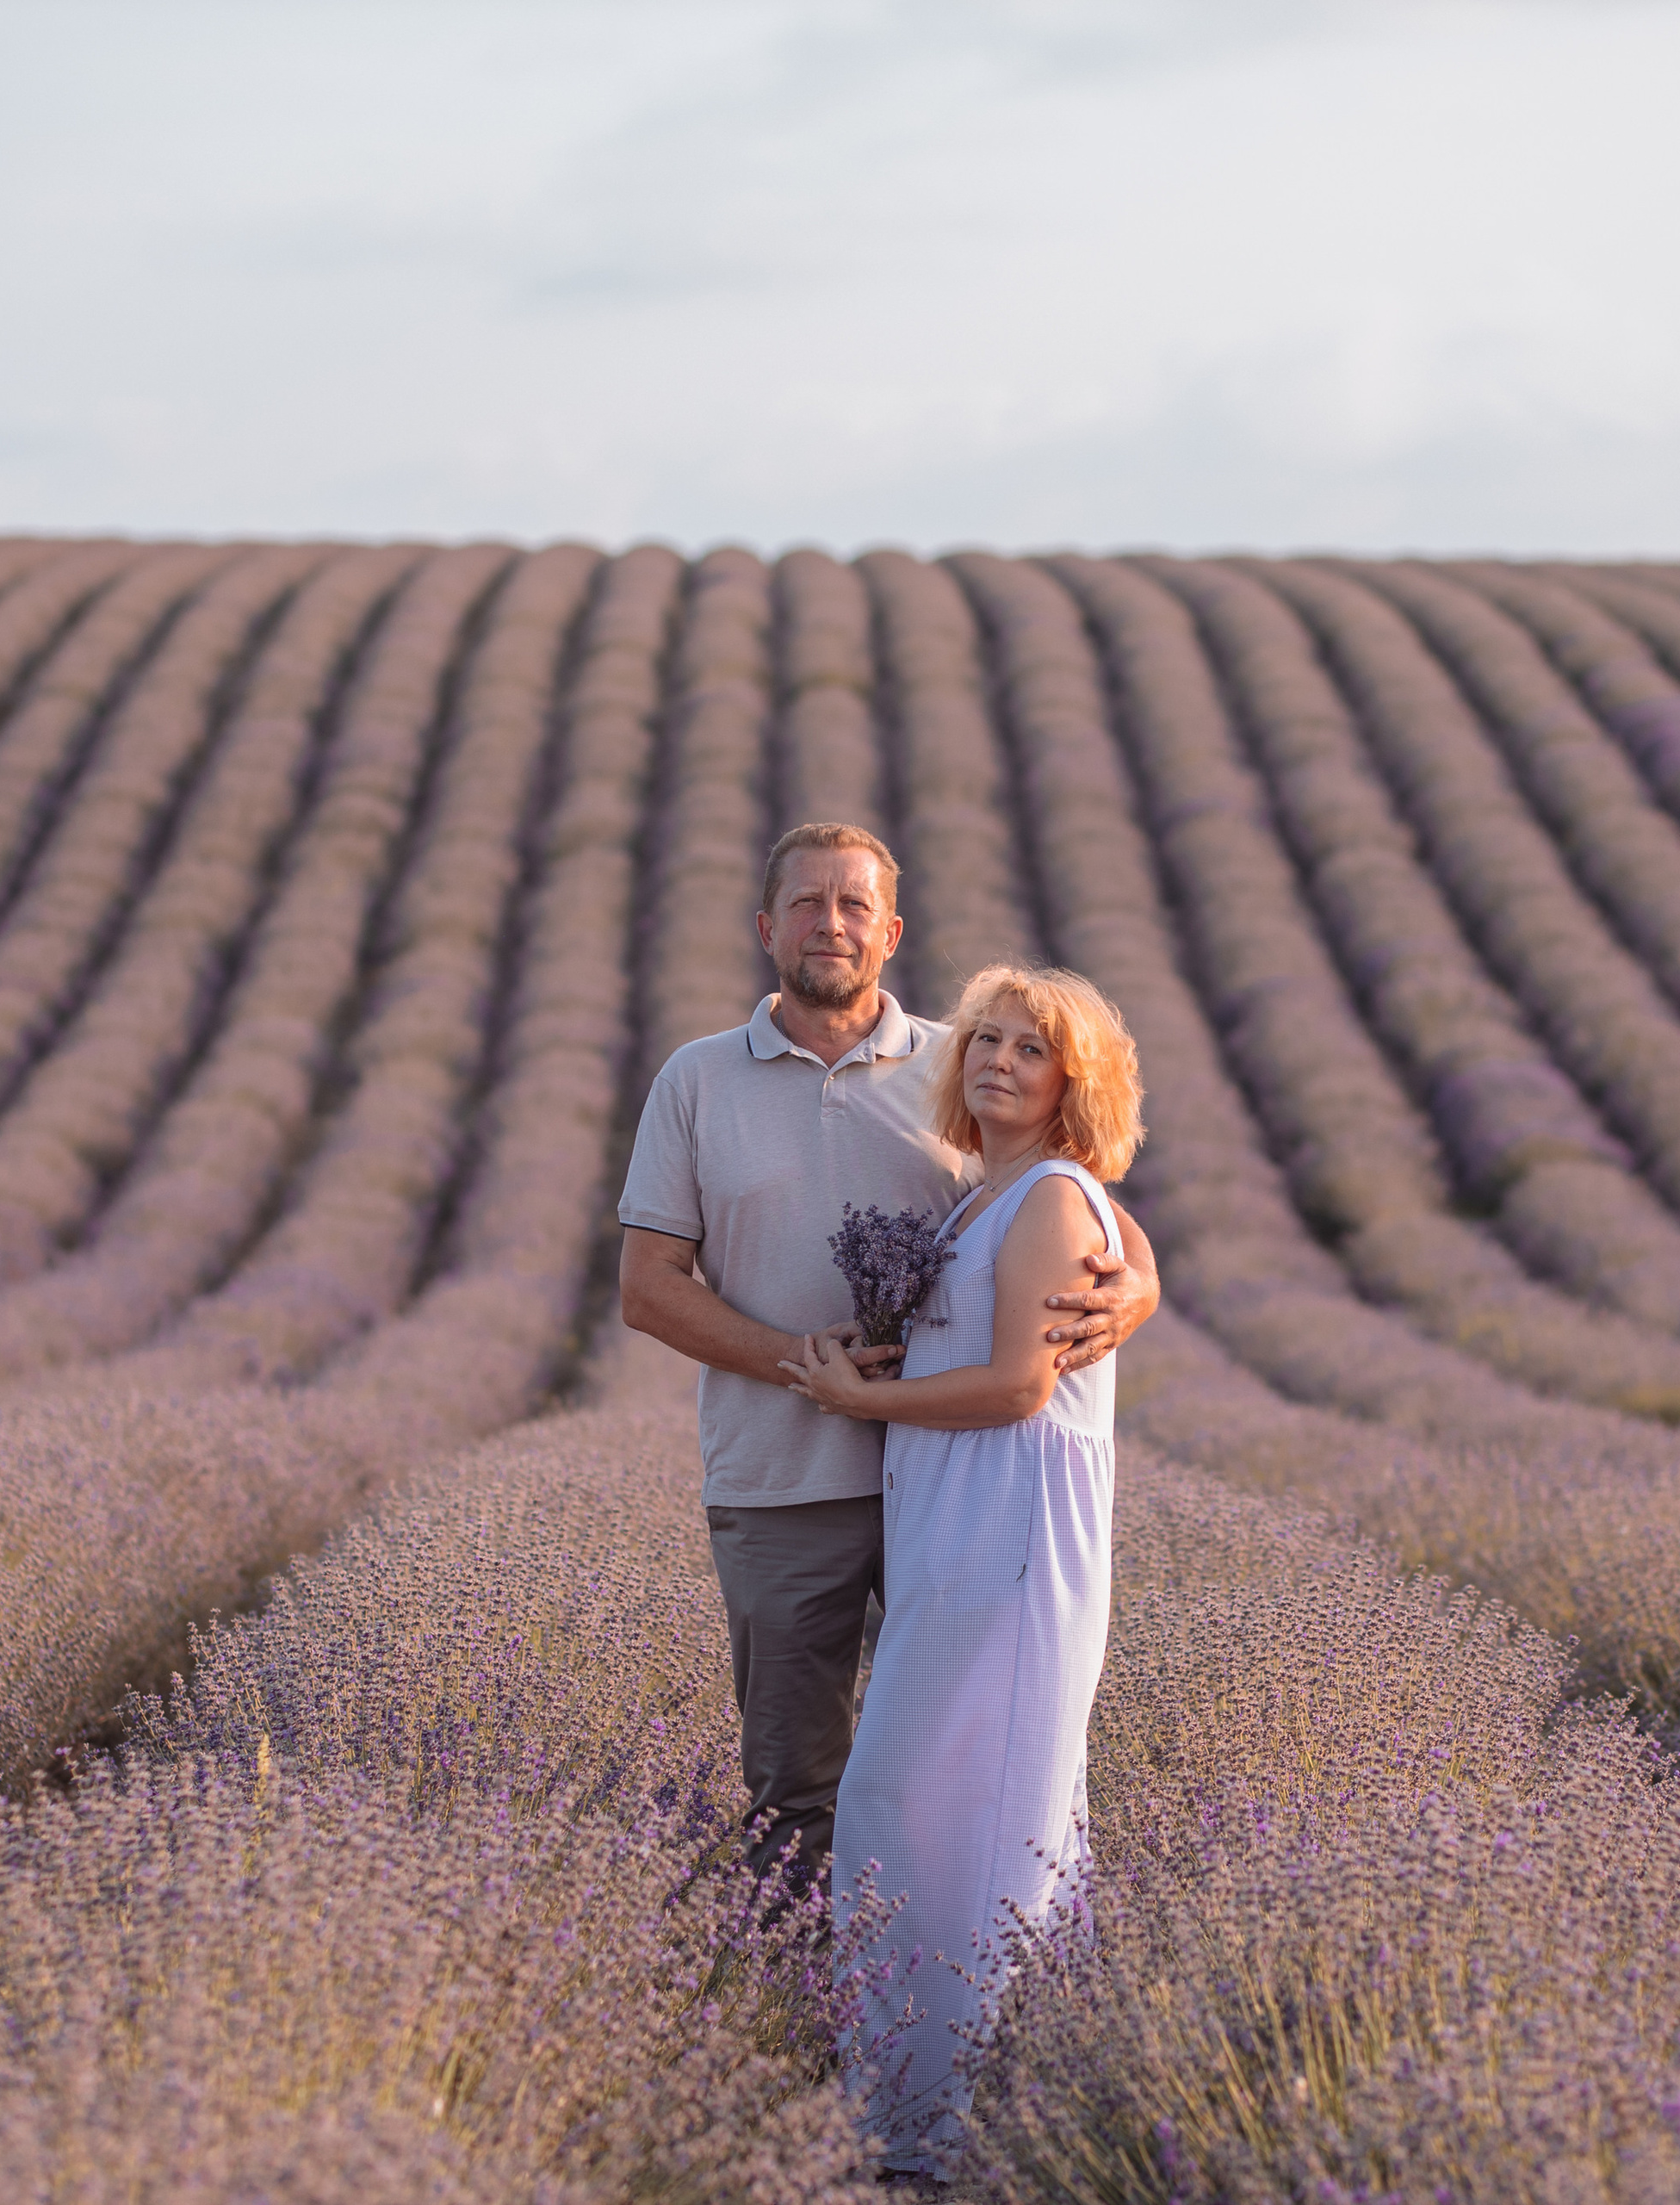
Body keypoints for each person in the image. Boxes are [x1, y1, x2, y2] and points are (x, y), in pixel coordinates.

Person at [617, 823, 1162, 1889]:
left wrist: (1140, 1282)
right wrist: (806, 1369)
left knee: (944, 1776)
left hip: (950, 1492)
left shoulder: (959, 1065)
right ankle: (808, 2020)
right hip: (781, 1484)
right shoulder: (695, 1081)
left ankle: (932, 2006)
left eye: (854, 905)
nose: (831, 923)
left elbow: (1075, 1189)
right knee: (796, 1784)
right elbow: (647, 1289)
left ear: (891, 932)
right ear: (766, 926)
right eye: (809, 904)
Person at [782, 962, 1144, 2178]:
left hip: (1012, 1545)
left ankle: (940, 2136)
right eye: (982, 1040)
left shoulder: (1045, 1195)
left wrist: (848, 1395)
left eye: (1028, 1050)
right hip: (959, 1537)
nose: (996, 1061)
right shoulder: (981, 1198)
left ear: (1071, 1081)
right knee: (931, 1817)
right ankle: (987, 2108)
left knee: (953, 1819)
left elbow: (1019, 1387)